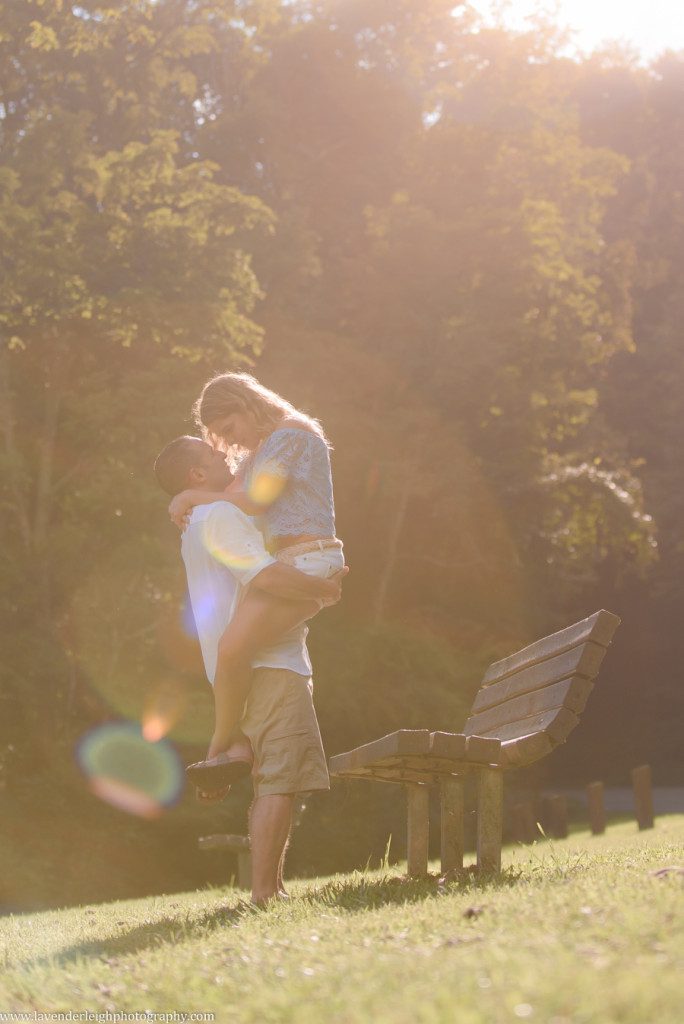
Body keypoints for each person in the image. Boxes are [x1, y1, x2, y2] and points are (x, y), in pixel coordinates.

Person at [154, 435, 344, 903]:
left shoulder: (197, 521)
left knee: (270, 777)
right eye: (213, 455)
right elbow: (263, 575)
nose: (224, 456)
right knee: (281, 777)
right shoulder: (220, 516)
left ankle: (269, 884)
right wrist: (323, 590)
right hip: (269, 664)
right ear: (197, 474)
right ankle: (265, 893)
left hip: (241, 666)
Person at [167, 373, 344, 790]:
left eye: (231, 430)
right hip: (290, 561)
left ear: (246, 405)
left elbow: (254, 501)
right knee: (232, 649)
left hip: (309, 558)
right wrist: (186, 491)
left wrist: (191, 497)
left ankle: (219, 744)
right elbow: (226, 488)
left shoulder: (291, 433)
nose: (234, 443)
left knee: (232, 647)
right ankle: (236, 749)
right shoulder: (260, 450)